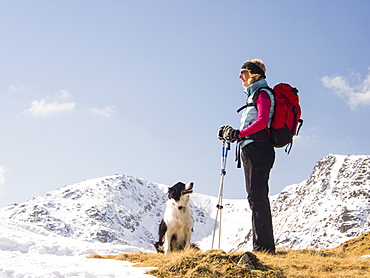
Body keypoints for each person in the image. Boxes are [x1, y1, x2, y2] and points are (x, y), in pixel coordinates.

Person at [218, 58, 276, 254]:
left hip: (259, 149)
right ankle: (261, 247)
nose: (240, 76)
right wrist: (235, 135)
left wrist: (239, 134)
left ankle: (264, 249)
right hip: (251, 149)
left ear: (253, 74)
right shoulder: (254, 95)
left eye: (243, 72)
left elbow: (261, 121)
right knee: (255, 197)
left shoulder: (262, 93)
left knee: (258, 197)